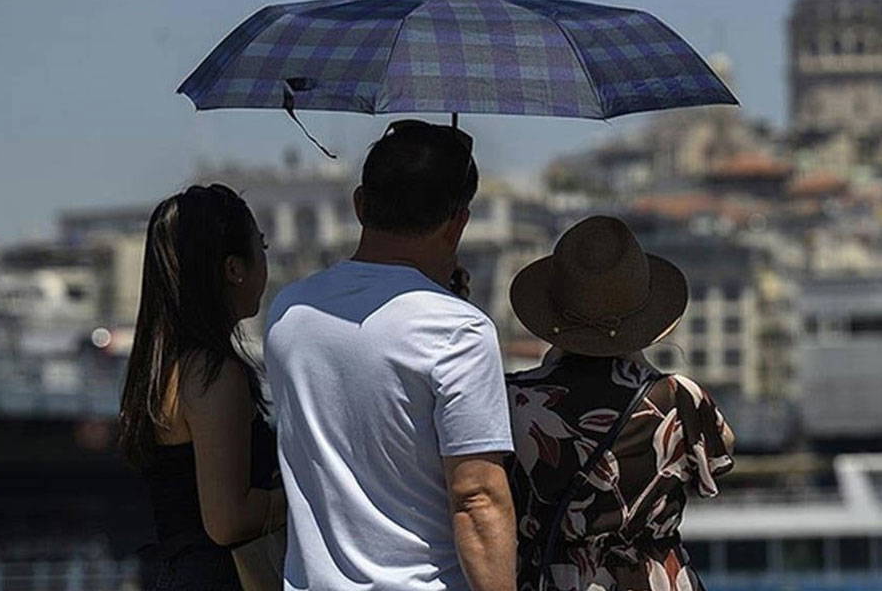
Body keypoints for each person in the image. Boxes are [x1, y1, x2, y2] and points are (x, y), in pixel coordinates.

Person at [265, 120, 516, 591]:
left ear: (360, 205)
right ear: (458, 222)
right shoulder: (457, 330)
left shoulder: (289, 312)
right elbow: (477, 497)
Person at [505, 216, 736, 591]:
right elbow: (718, 457)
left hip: (550, 577)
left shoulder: (512, 399)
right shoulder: (679, 398)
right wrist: (639, 360)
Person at [118, 184, 285, 591]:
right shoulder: (214, 374)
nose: (265, 261)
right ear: (233, 268)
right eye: (260, 246)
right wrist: (313, 493)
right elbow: (228, 521)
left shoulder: (161, 368)